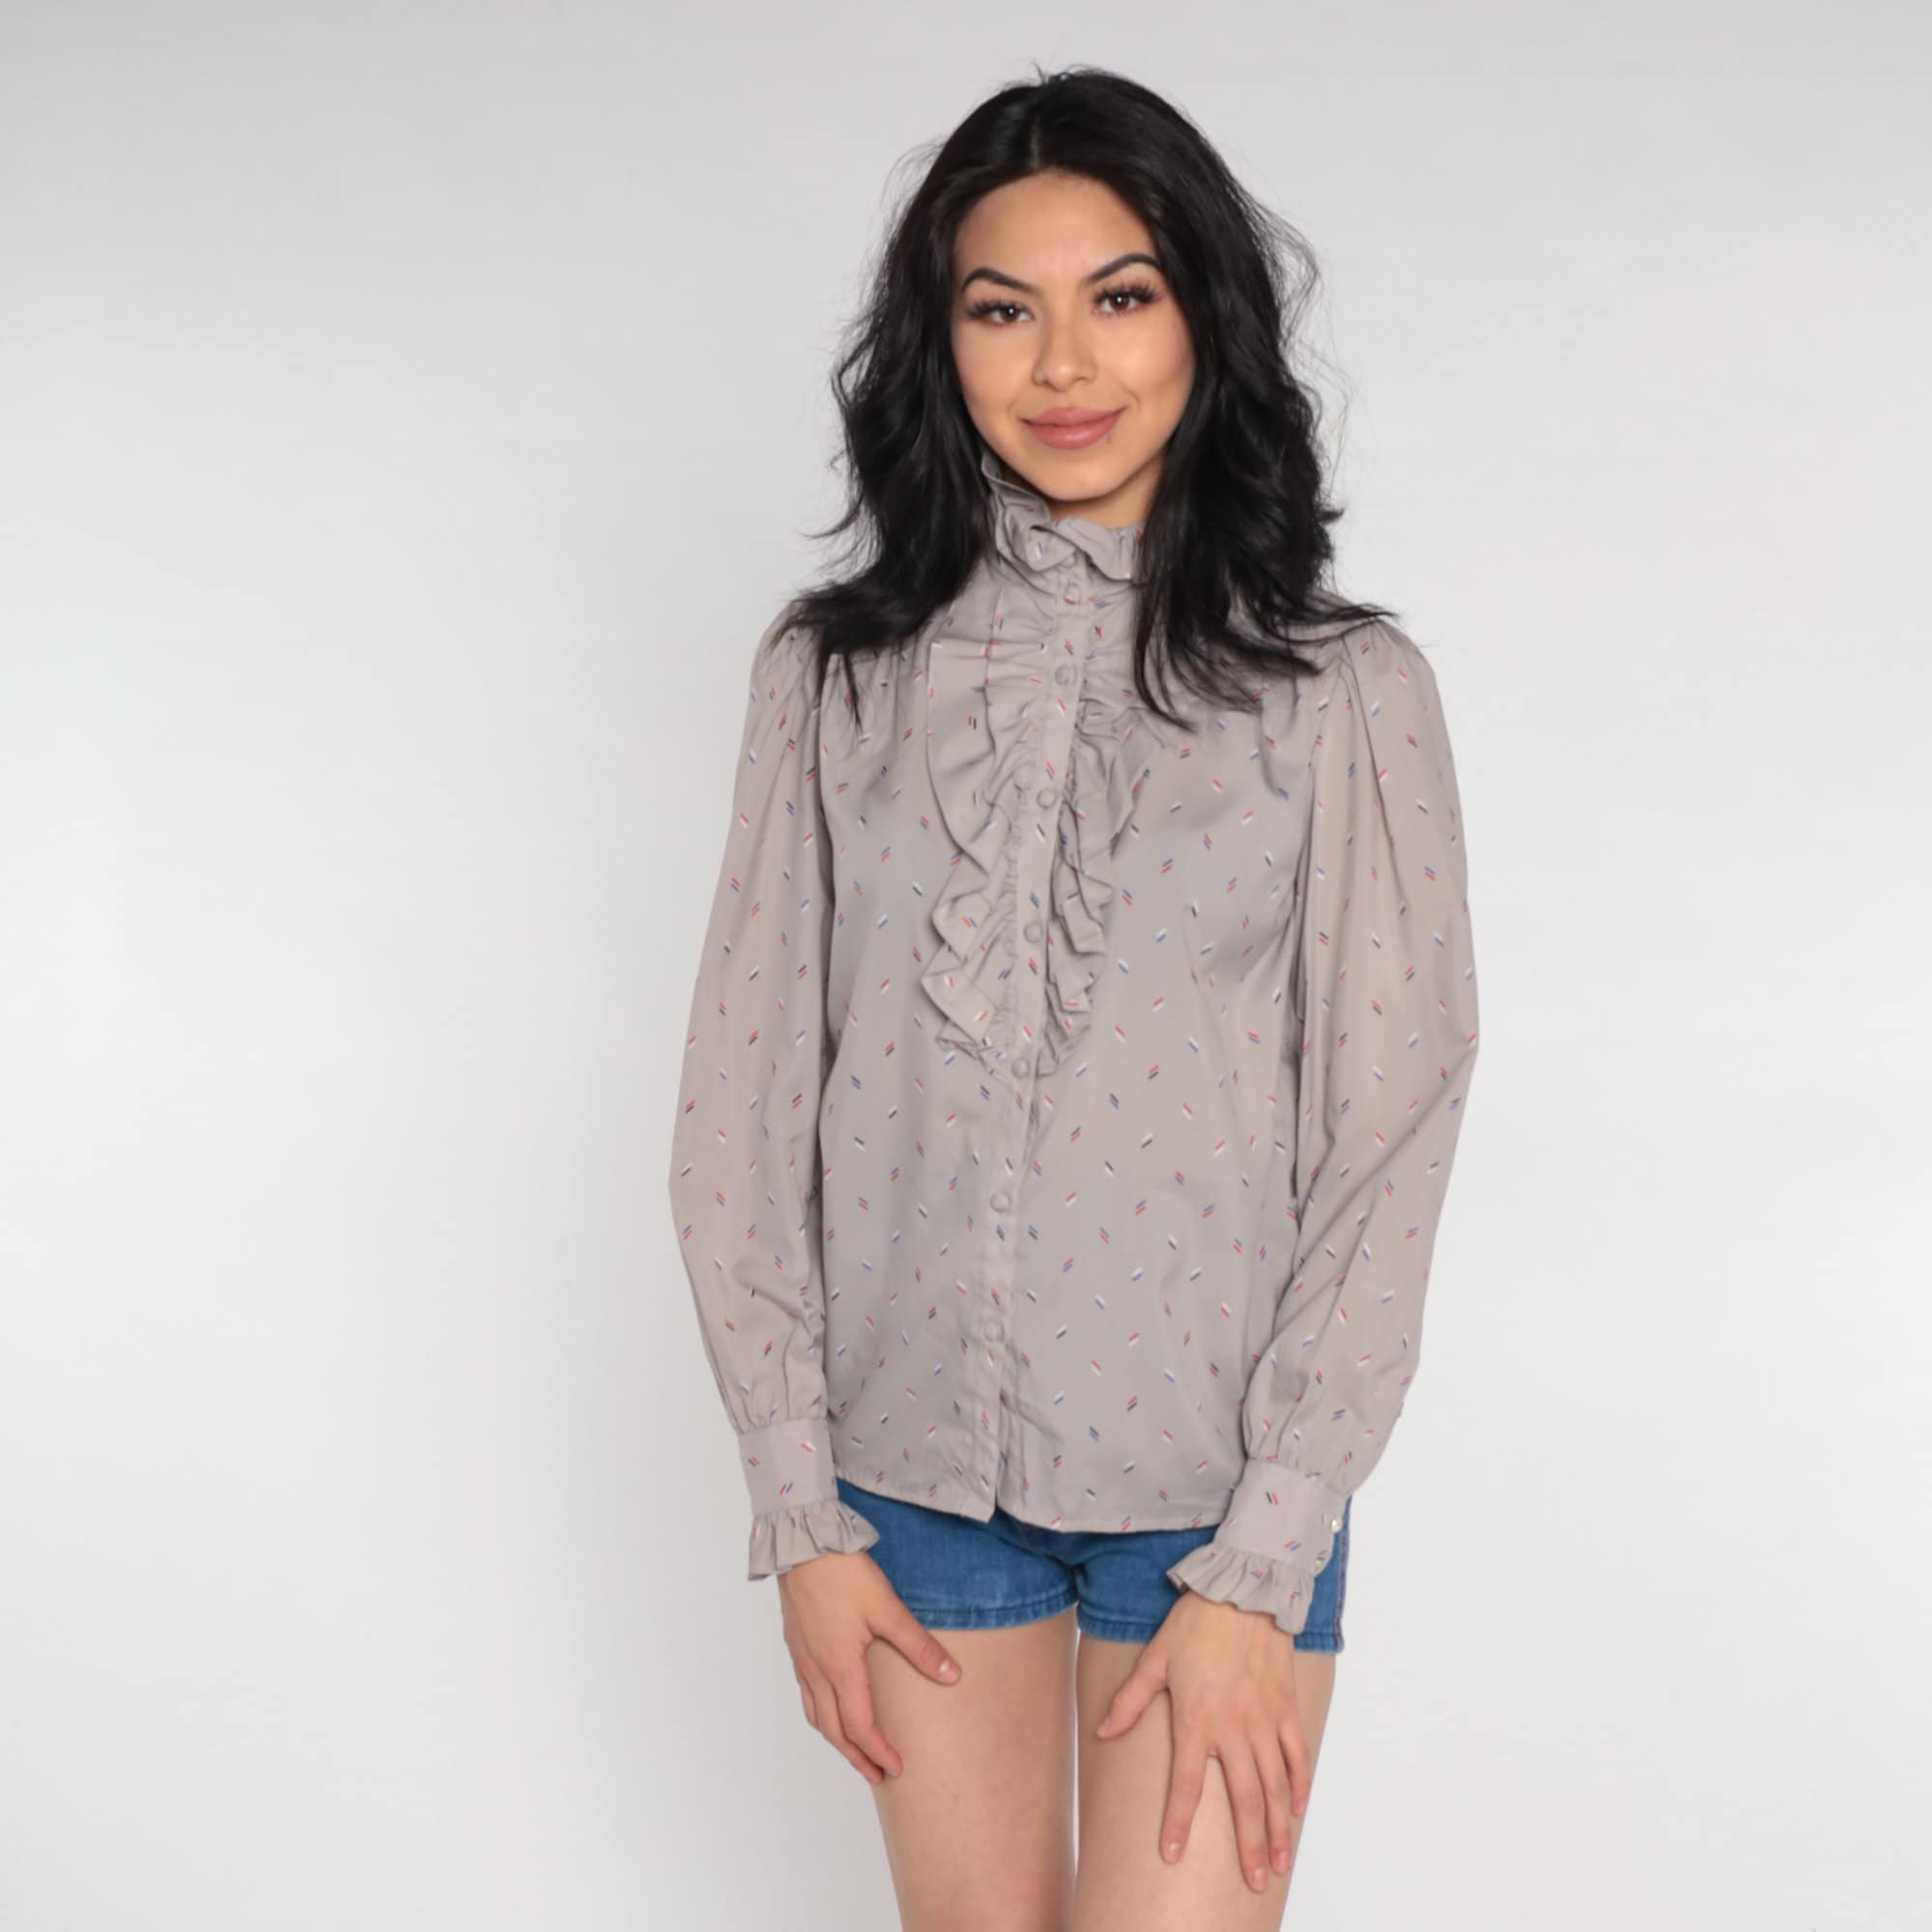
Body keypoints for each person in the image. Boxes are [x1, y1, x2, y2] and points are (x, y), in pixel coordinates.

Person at [665, 65, 1482, 1929]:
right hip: (902, 1484)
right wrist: (798, 1506)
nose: (1062, 364)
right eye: (999, 308)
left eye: (1120, 295)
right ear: (936, 343)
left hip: (1216, 1503)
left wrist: (1266, 1558)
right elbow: (741, 1095)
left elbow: (1394, 1130)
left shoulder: (1342, 692)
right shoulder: (834, 677)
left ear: (1206, 316)